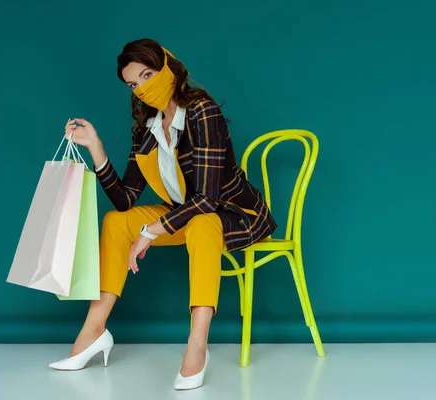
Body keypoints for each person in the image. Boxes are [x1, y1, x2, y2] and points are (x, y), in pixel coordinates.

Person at [48, 38, 277, 390]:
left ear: (168, 67)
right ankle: (93, 330)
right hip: (186, 213)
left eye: (147, 74)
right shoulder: (148, 127)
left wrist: (152, 230)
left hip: (234, 213)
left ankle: (197, 344)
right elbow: (125, 200)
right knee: (116, 222)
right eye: (133, 84)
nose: (142, 88)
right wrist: (96, 147)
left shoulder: (203, 111)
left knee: (201, 223)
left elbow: (207, 198)